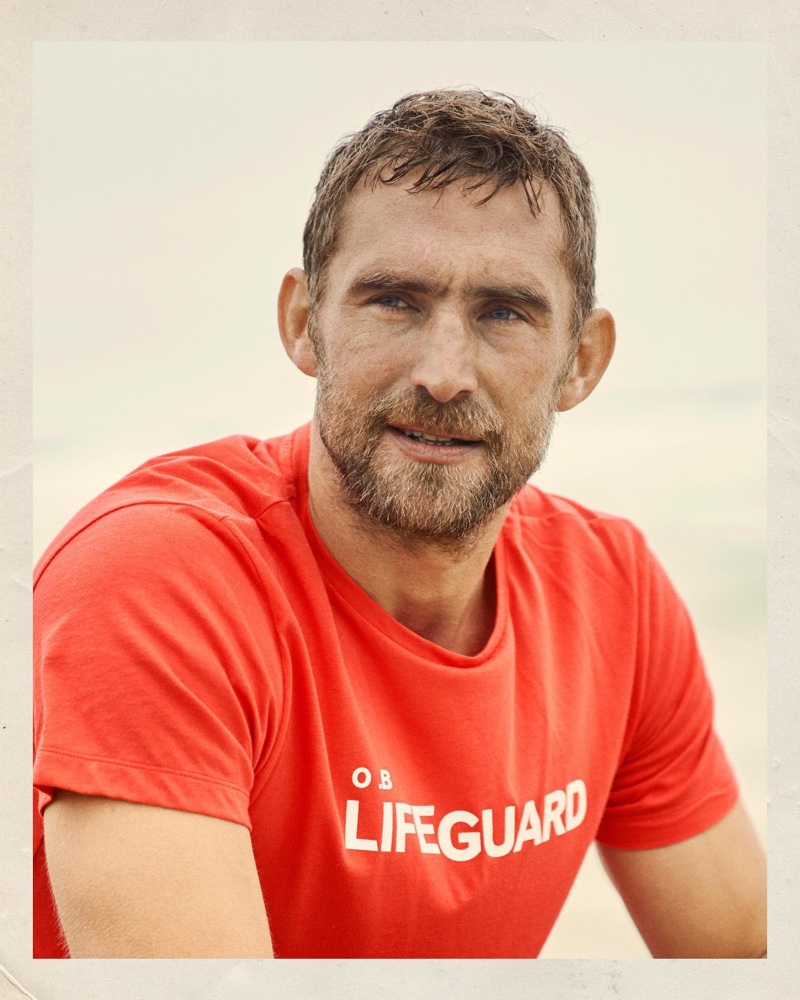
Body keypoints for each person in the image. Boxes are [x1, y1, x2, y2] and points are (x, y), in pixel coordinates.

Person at [33, 89, 766, 959]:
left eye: (504, 312)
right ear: (305, 325)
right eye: (394, 300)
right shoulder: (158, 577)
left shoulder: (615, 594)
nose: (445, 372)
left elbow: (745, 957)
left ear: (582, 362)